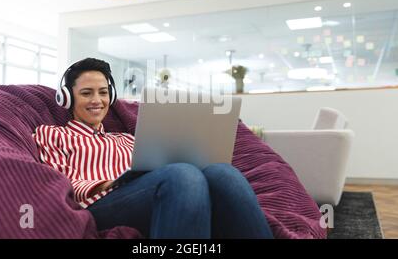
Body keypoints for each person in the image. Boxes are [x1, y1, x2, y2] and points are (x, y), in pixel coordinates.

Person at [33, 58, 273, 239]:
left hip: (150, 191)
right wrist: (113, 182)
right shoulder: (53, 133)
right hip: (98, 204)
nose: (97, 100)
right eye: (87, 93)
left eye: (103, 92)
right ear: (67, 98)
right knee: (182, 175)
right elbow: (60, 184)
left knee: (222, 172)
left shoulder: (126, 139)